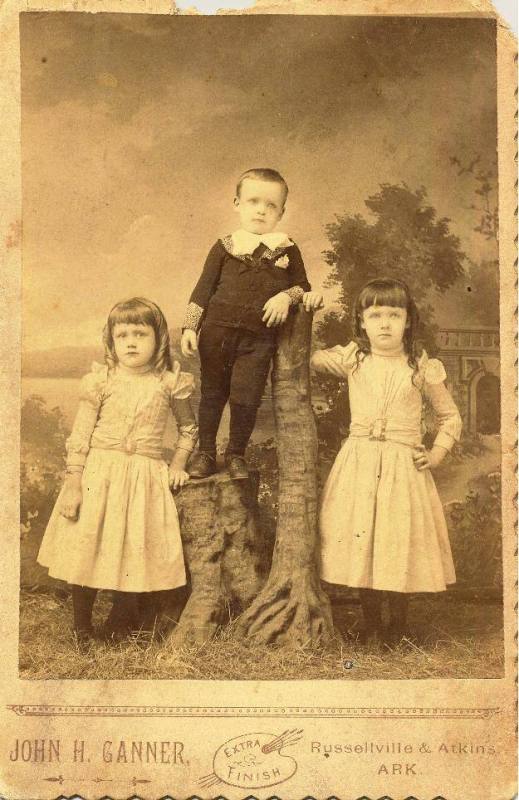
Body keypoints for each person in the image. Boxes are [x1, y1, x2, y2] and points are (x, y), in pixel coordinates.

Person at [311, 278, 462, 646]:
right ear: (361, 322)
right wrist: (310, 316)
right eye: (375, 315)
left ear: (408, 321)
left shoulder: (421, 366)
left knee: (396, 540)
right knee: (363, 537)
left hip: (402, 465)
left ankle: (397, 626)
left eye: (394, 315)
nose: (384, 324)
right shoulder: (355, 360)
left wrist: (436, 453)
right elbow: (312, 358)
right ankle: (372, 624)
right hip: (360, 462)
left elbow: (450, 417)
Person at [38, 298, 198, 644]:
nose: (130, 343)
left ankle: (120, 621)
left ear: (158, 339)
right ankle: (82, 627)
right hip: (100, 474)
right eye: (122, 335)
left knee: (132, 546)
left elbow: (189, 429)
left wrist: (178, 464)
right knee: (87, 546)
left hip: (144, 476)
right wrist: (74, 483)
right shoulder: (102, 381)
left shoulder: (169, 382)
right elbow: (80, 437)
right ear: (111, 340)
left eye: (140, 334)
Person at [181, 167, 323, 480]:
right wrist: (191, 327)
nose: (261, 210)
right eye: (253, 201)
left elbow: (302, 286)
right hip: (216, 333)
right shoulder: (224, 246)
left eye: (271, 205)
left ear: (281, 212)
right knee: (213, 393)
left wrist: (285, 297)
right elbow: (202, 289)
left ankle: (235, 454)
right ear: (237, 204)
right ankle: (206, 453)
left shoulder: (286, 248)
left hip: (257, 340)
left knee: (247, 396)